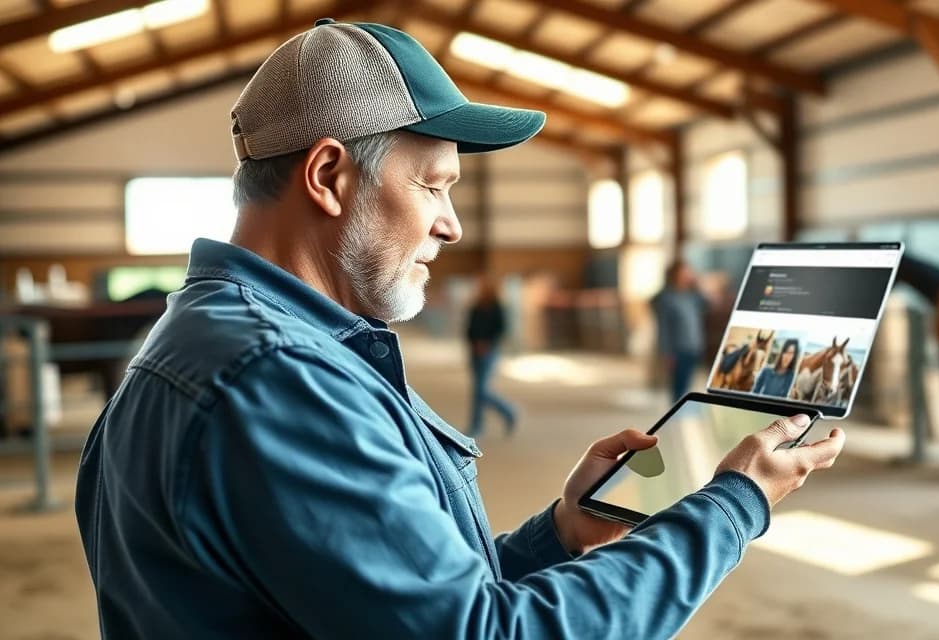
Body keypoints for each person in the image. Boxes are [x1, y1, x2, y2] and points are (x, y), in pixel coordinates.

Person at [74, 19, 846, 639]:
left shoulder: (215, 343)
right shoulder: (277, 379)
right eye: (434, 186)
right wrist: (734, 502)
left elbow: (392, 605)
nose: (450, 225)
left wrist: (560, 536)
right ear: (328, 176)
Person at [465, 275, 516, 436]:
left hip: (489, 351)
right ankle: (477, 425)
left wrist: (487, 343)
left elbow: (501, 329)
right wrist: (474, 344)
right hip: (474, 351)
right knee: (477, 391)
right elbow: (469, 328)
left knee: (481, 390)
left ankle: (508, 411)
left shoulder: (498, 307)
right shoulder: (476, 306)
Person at [651, 259, 708, 402]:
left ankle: (681, 412)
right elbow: (663, 328)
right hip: (677, 349)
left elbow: (708, 304)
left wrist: (697, 284)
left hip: (694, 346)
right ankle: (676, 413)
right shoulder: (666, 298)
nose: (688, 274)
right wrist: (666, 352)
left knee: (688, 385)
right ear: (675, 274)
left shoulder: (691, 295)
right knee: (678, 387)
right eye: (685, 271)